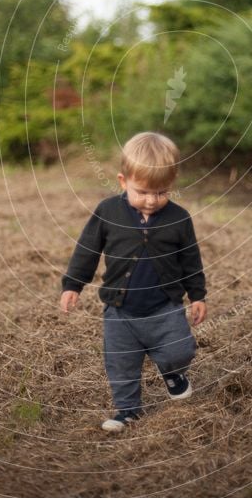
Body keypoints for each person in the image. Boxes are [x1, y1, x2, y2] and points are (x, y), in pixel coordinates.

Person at [60, 131, 207, 433]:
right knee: (121, 364)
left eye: (162, 192)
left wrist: (197, 295)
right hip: (120, 310)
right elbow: (87, 249)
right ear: (122, 180)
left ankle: (172, 373)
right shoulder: (107, 212)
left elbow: (190, 259)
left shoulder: (179, 219)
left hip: (164, 306)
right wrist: (73, 285)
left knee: (180, 351)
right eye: (142, 192)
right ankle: (127, 411)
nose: (152, 201)